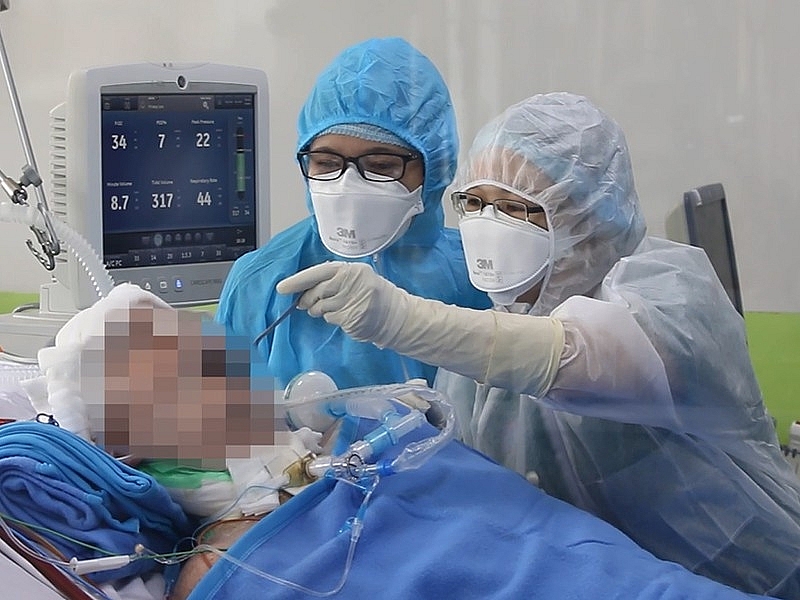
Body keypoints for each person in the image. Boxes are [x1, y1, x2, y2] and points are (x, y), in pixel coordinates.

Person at [276, 92, 800, 598]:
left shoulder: (671, 292)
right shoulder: (509, 317)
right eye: (475, 202)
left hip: (739, 576)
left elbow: (577, 357)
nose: (486, 223)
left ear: (589, 218)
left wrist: (396, 318)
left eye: (515, 208)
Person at [215, 37, 490, 391]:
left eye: (380, 165)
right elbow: (222, 428)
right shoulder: (260, 284)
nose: (347, 185)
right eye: (327, 163)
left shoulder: (478, 278)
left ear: (434, 169)